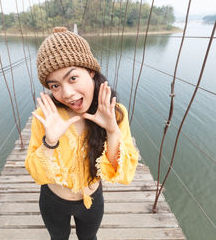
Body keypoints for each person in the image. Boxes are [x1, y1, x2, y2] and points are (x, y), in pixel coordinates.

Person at [25, 27, 139, 240]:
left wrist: (112, 131)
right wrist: (50, 140)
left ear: (91, 71)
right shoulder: (46, 116)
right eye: (55, 85)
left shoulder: (115, 113)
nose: (66, 93)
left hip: (92, 200)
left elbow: (124, 174)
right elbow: (36, 173)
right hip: (53, 200)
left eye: (73, 78)